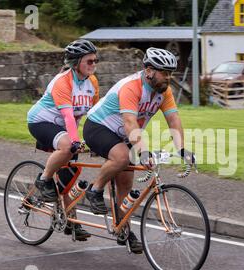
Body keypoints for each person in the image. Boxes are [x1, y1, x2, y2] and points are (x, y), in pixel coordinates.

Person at [83, 47, 196, 254]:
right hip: (99, 127)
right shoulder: (132, 87)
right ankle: (95, 189)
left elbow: (173, 119)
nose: (168, 78)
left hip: (125, 134)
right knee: (122, 157)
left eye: (171, 73)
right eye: (165, 73)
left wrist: (182, 149)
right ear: (149, 71)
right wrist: (143, 151)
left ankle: (123, 230)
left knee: (125, 185)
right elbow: (129, 122)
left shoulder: (164, 92)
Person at [27, 39, 100, 241]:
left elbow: (92, 114)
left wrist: (96, 139)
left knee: (69, 176)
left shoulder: (92, 83)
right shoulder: (62, 81)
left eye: (96, 60)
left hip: (65, 129)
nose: (94, 64)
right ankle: (44, 180)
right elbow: (68, 116)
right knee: (68, 147)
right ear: (76, 63)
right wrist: (75, 141)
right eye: (90, 61)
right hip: (41, 121)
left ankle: (71, 221)